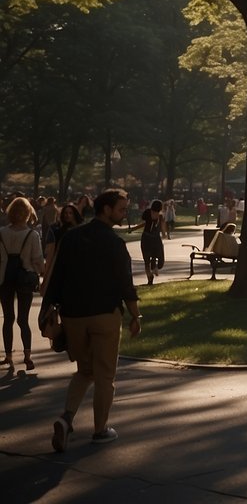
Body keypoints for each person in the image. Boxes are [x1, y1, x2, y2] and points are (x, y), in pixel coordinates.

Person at [45, 188, 142, 451]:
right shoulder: (114, 243)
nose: (124, 213)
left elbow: (57, 276)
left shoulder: (73, 238)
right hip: (104, 316)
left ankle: (66, 419)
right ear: (106, 209)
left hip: (73, 315)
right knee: (104, 375)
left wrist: (48, 310)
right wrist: (135, 315)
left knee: (84, 371)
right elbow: (126, 284)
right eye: (121, 209)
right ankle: (100, 430)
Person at [1, 197, 44, 372]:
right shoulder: (32, 235)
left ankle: (9, 356)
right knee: (23, 320)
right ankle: (27, 356)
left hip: (4, 279)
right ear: (28, 214)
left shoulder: (2, 232)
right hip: (25, 278)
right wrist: (43, 275)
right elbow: (38, 259)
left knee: (8, 318)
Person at [128, 200, 167, 284]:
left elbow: (161, 225)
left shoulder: (158, 216)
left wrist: (164, 234)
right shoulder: (150, 214)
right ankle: (150, 275)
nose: (155, 213)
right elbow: (145, 223)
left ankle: (153, 269)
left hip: (152, 239)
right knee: (148, 260)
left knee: (155, 260)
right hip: (149, 238)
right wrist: (133, 229)